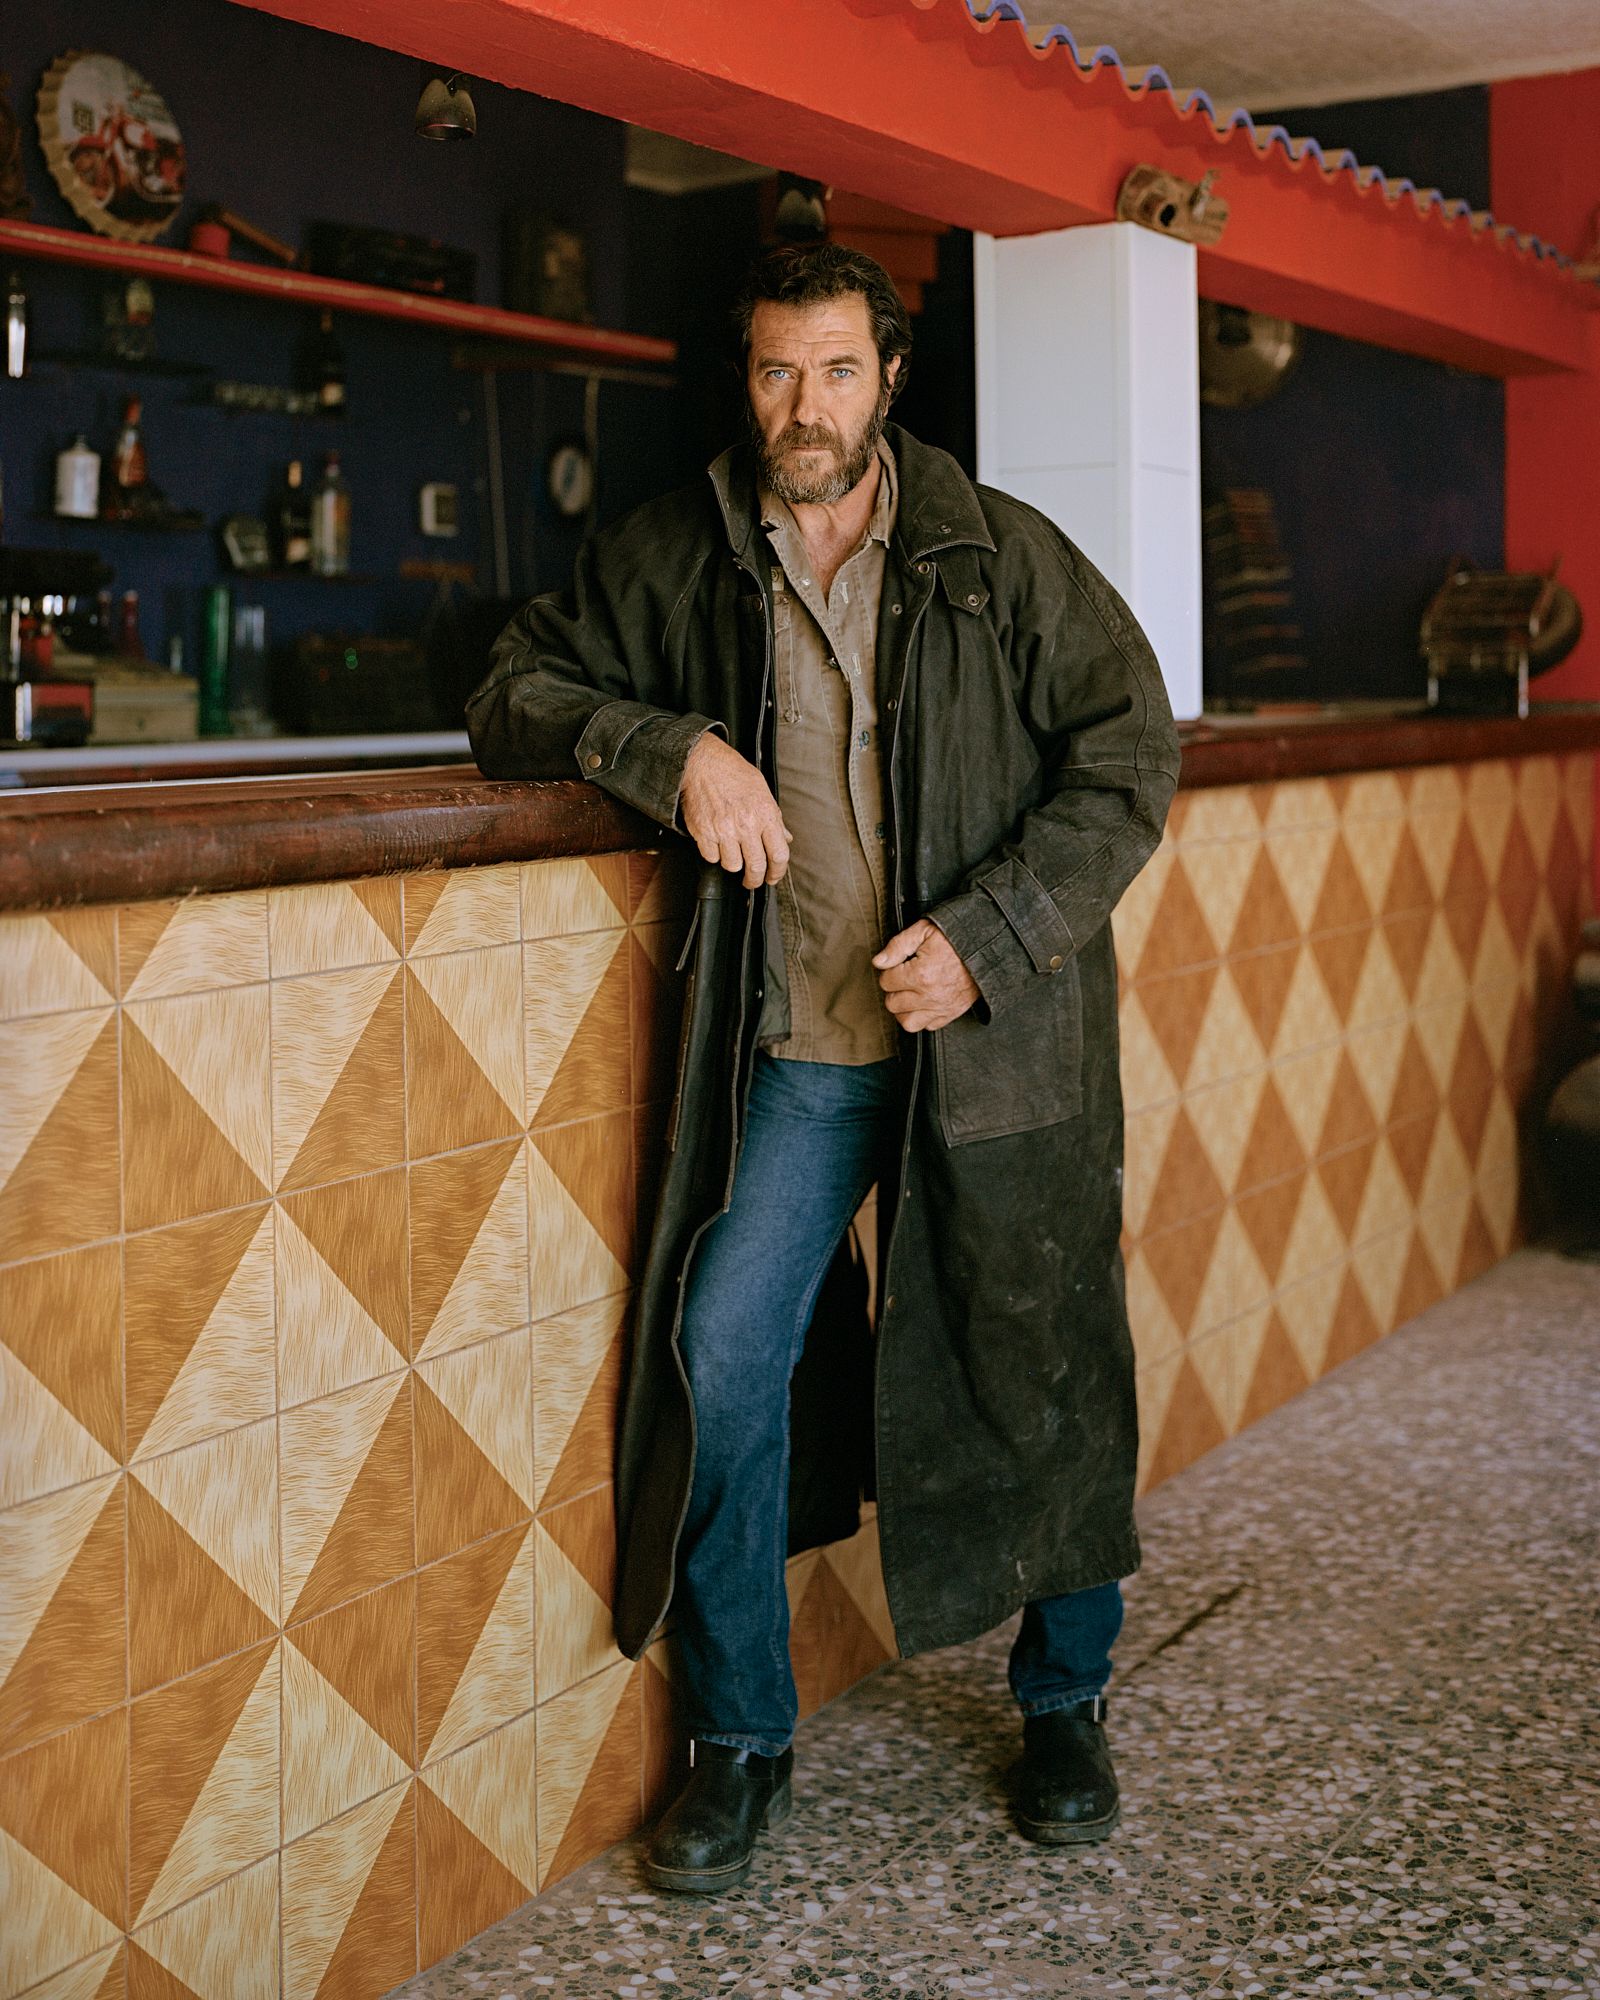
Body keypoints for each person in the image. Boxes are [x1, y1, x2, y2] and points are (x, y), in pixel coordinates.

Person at [468, 243, 1180, 1893]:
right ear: (750, 381)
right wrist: (673, 748)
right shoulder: (683, 553)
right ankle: (740, 1736)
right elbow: (512, 686)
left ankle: (1066, 1697)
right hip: (793, 1054)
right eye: (780, 373)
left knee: (1048, 1354)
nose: (808, 406)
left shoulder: (1002, 554)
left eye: (839, 372)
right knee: (722, 1358)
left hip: (987, 1049)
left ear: (891, 378)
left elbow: (1133, 749)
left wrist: (994, 934)